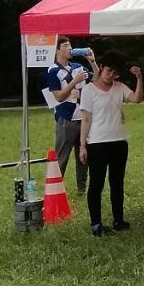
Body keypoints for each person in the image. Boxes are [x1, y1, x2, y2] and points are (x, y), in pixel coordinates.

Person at [78, 53, 142, 237]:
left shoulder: (120, 87)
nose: (111, 75)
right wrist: (83, 145)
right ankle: (96, 224)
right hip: (97, 143)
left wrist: (139, 77)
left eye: (114, 72)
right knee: (96, 184)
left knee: (117, 184)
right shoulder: (89, 90)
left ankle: (118, 220)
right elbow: (86, 119)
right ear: (101, 67)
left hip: (119, 142)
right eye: (108, 70)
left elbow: (137, 98)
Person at [44, 37, 99, 194]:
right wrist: (74, 82)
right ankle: (55, 191)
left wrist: (92, 61)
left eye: (70, 46)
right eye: (66, 46)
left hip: (82, 118)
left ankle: (82, 189)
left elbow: (96, 78)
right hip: (65, 119)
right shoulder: (53, 71)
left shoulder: (78, 67)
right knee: (62, 157)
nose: (70, 48)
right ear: (57, 50)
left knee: (83, 156)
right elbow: (59, 96)